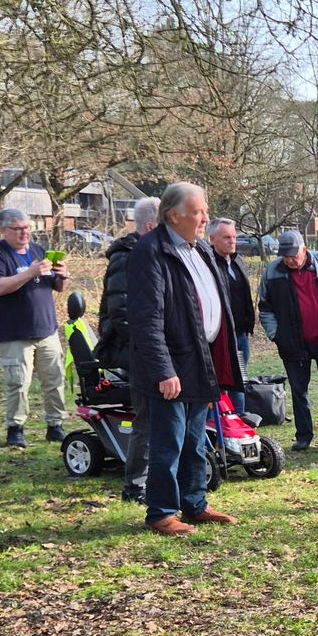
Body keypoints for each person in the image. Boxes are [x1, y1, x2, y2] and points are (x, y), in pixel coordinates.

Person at [126, 182, 242, 536]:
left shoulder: (201, 250)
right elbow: (147, 319)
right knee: (168, 442)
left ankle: (195, 504)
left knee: (194, 439)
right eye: (198, 211)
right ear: (173, 215)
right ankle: (160, 513)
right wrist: (164, 370)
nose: (204, 217)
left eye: (205, 210)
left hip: (199, 359)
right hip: (170, 367)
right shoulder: (150, 252)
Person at [257, 229, 318, 452]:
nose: (290, 260)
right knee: (299, 391)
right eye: (285, 256)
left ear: (304, 249)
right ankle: (303, 435)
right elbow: (265, 308)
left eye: (293, 255)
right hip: (293, 343)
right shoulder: (273, 272)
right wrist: (276, 335)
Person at [0, 207, 70, 448]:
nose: (25, 233)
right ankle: (16, 429)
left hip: (46, 329)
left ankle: (55, 425)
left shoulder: (38, 251)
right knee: (18, 382)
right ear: (4, 231)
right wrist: (30, 273)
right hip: (14, 333)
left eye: (28, 227)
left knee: (55, 379)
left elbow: (57, 287)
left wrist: (62, 275)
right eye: (18, 228)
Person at [97, 196, 158, 501]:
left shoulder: (154, 254)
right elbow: (121, 314)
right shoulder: (127, 257)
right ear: (151, 226)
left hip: (154, 348)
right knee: (145, 417)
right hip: (134, 349)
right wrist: (152, 348)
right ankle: (136, 486)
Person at [208, 218, 257, 366]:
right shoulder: (207, 265)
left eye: (234, 237)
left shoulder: (238, 262)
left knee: (241, 382)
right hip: (220, 337)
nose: (232, 241)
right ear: (212, 239)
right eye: (227, 237)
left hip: (242, 334)